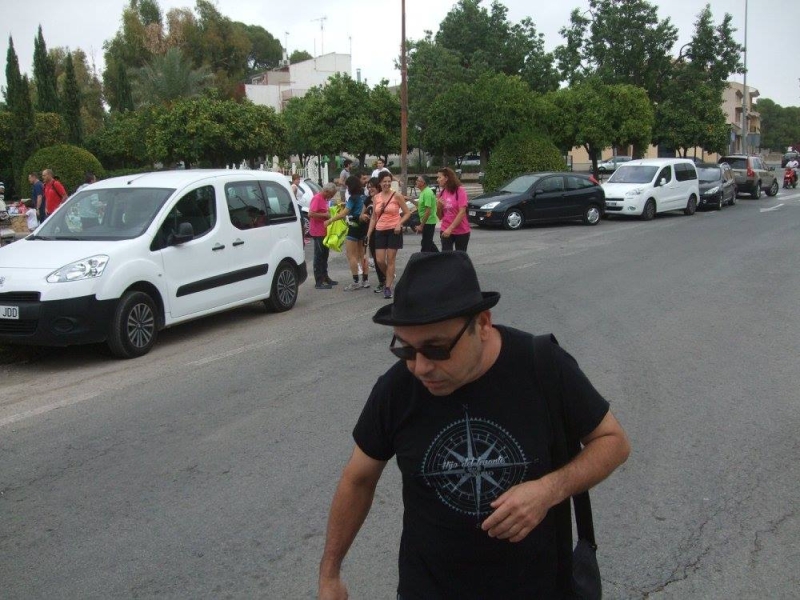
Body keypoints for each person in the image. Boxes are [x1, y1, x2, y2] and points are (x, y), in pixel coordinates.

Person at [318, 251, 630, 600]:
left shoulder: (541, 365)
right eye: (405, 349)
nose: (420, 367)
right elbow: (358, 479)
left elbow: (613, 441)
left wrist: (548, 490)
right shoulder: (397, 389)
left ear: (482, 324)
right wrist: (330, 573)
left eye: (437, 349)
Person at [366, 171, 410, 300]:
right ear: (380, 183)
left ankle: (388, 287)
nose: (387, 184)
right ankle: (390, 275)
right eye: (384, 181)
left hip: (393, 230)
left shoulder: (397, 196)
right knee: (379, 260)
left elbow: (407, 213)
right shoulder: (376, 197)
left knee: (390, 260)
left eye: (389, 181)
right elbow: (374, 217)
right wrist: (368, 233)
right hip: (380, 230)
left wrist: (399, 224)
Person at [326, 174, 370, 291]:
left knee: (351, 255)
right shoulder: (364, 197)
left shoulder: (352, 198)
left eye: (347, 186)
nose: (346, 188)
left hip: (354, 226)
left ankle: (356, 281)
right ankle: (365, 280)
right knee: (363, 254)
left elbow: (344, 213)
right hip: (364, 226)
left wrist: (330, 220)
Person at [309, 182, 339, 289]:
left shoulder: (324, 199)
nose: (331, 197)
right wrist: (325, 215)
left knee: (325, 255)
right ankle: (319, 281)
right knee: (319, 256)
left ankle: (325, 277)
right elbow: (311, 214)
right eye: (331, 195)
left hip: (325, 231)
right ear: (326, 191)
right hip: (318, 231)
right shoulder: (317, 198)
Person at [436, 167, 471, 252]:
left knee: (460, 256)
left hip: (461, 231)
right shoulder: (441, 193)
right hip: (445, 229)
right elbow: (439, 217)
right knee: (446, 256)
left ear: (446, 178)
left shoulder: (460, 191)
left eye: (439, 177)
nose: (437, 180)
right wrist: (439, 207)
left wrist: (450, 229)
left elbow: (462, 212)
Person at [363, 177, 386, 294]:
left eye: (372, 186)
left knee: (382, 258)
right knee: (377, 259)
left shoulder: (384, 198)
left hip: (384, 230)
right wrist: (363, 216)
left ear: (378, 187)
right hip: (371, 231)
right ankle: (382, 281)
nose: (370, 189)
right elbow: (361, 215)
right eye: (368, 187)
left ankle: (388, 276)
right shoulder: (367, 200)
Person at [414, 175, 439, 252]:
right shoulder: (424, 192)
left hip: (429, 222)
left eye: (418, 181)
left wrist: (421, 225)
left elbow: (428, 211)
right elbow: (420, 205)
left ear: (423, 183)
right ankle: (440, 256)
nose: (416, 182)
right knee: (428, 243)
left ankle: (424, 257)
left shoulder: (427, 193)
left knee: (426, 244)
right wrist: (409, 199)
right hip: (426, 221)